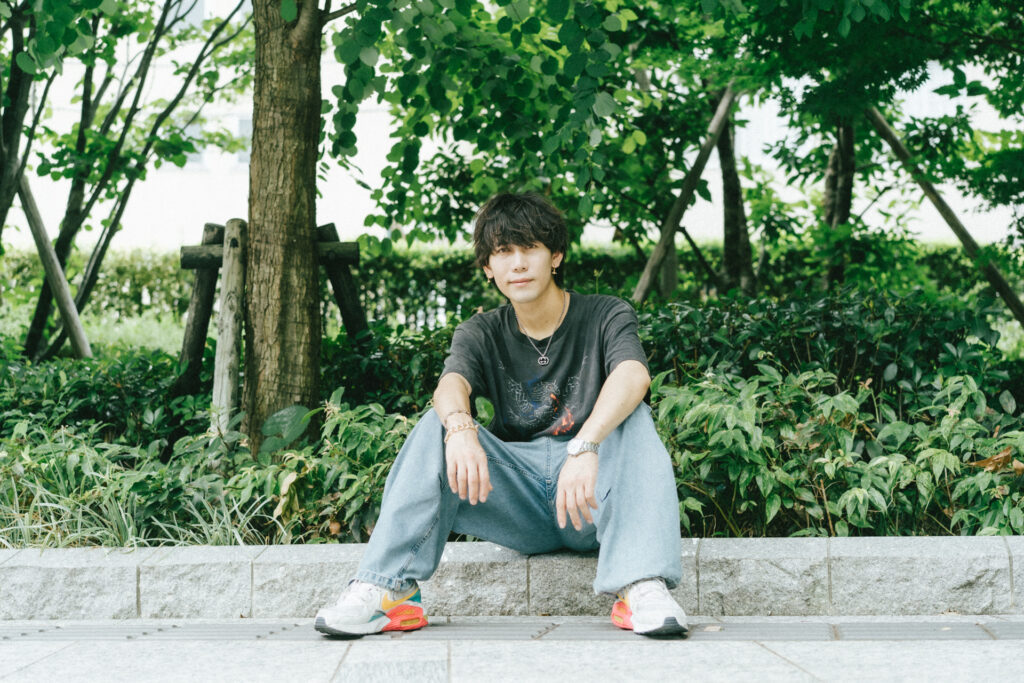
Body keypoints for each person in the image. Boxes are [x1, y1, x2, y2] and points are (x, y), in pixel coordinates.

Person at [315, 192, 686, 638]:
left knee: (633, 417)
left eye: (530, 248)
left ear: (556, 256)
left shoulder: (604, 313)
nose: (519, 264)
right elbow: (451, 385)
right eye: (504, 251)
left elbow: (632, 374)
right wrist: (460, 427)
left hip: (590, 497)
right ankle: (387, 590)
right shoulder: (481, 331)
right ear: (488, 268)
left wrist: (586, 445)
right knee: (438, 425)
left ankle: (643, 584)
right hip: (518, 498)